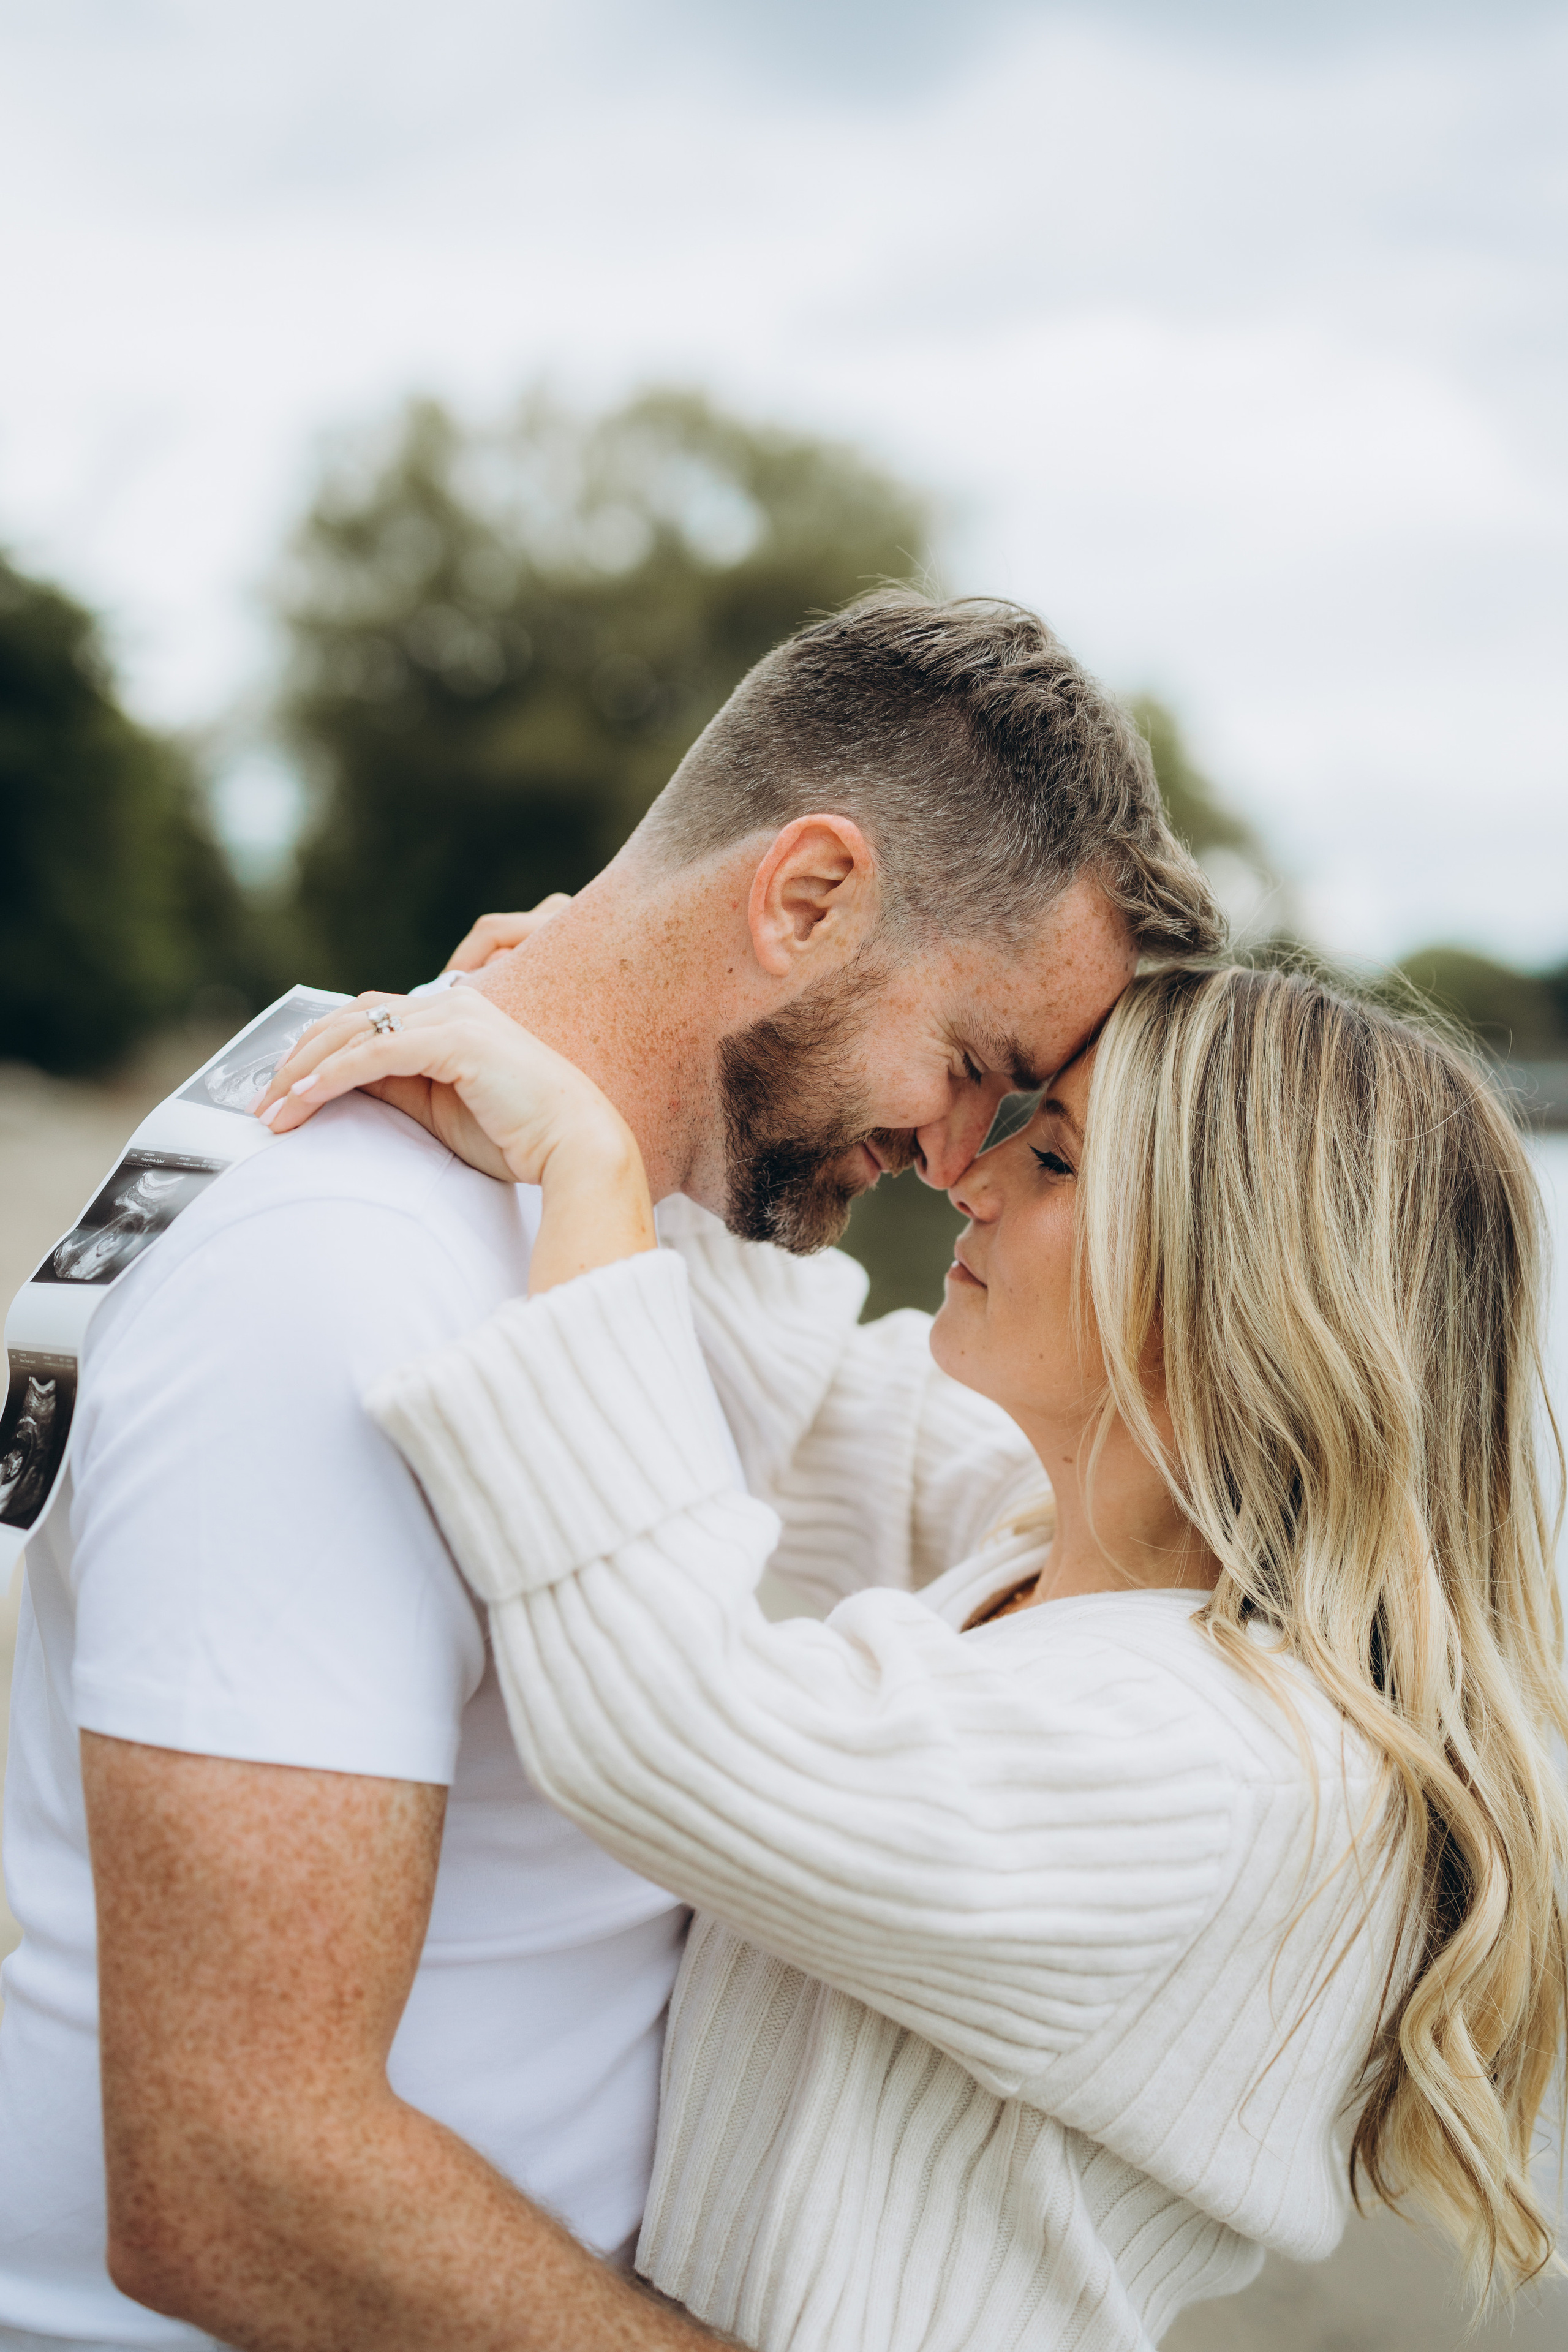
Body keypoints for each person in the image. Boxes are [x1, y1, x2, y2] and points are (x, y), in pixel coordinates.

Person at [0, 590, 1219, 2352]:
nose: (958, 1154)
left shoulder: (601, 1247)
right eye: (975, 1065)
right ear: (806, 901)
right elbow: (236, 2172)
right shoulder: (349, 1265)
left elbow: (983, 1464)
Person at [263, 958, 1568, 2352]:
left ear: (1228, 1293)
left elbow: (669, 1723)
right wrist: (646, 1023)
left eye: (1054, 1157)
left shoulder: (1228, 1776)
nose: (972, 1181)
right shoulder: (1064, 1550)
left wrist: (581, 1161)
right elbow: (812, 1394)